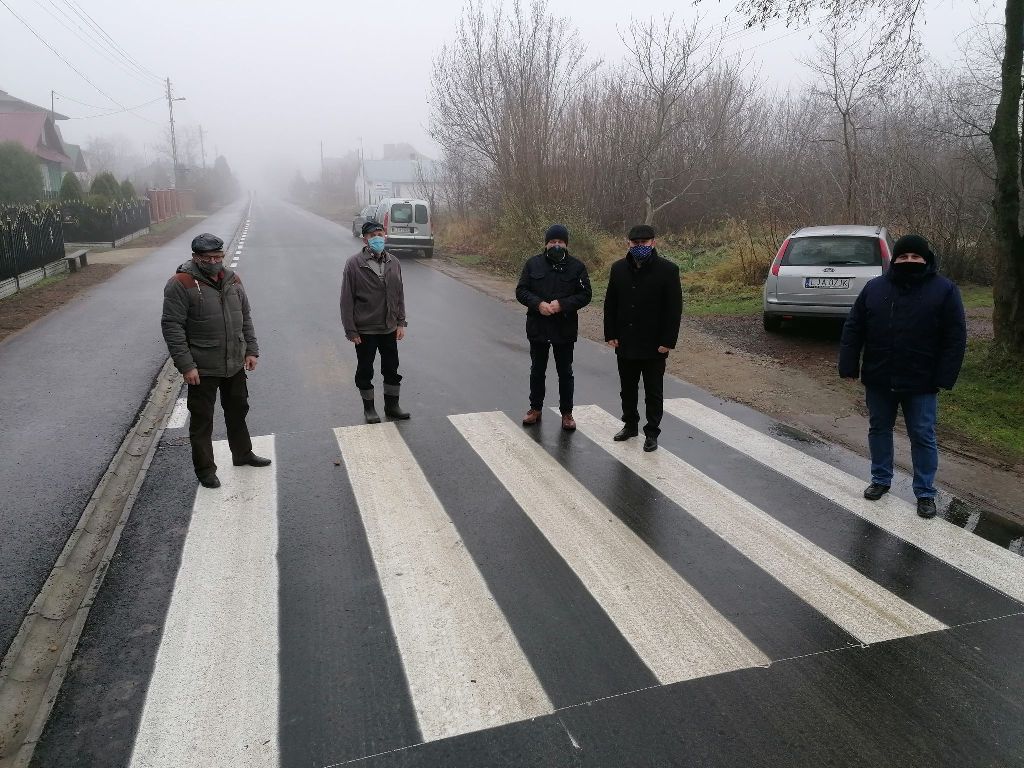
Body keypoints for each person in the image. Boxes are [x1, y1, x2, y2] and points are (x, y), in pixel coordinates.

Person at [838, 233, 967, 518]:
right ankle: (881, 479)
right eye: (904, 256)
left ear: (926, 259)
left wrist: (945, 376)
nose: (909, 260)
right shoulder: (874, 288)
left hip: (922, 381)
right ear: (894, 259)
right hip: (880, 376)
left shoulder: (945, 290)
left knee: (922, 435)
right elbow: (854, 327)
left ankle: (925, 492)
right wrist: (848, 364)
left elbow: (955, 337)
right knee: (878, 429)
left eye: (915, 256)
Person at [161, 233, 270, 489]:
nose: (215, 261)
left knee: (238, 412)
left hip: (234, 363)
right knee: (202, 421)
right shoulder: (180, 283)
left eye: (219, 256)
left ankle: (243, 454)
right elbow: (172, 327)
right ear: (196, 258)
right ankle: (206, 470)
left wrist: (251, 350)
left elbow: (245, 317)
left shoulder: (233, 280)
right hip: (202, 367)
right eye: (209, 258)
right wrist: (186, 365)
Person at [604, 224, 682, 452]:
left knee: (653, 391)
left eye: (644, 243)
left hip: (654, 344)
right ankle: (630, 425)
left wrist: (668, 341)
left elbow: (674, 309)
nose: (640, 247)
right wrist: (611, 333)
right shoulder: (618, 269)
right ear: (628, 244)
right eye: (635, 243)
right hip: (625, 341)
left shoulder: (668, 270)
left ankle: (652, 433)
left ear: (653, 243)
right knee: (627, 388)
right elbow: (611, 304)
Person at [515, 224, 593, 430]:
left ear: (566, 244)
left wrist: (563, 304)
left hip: (564, 328)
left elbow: (586, 295)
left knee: (565, 372)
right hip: (538, 327)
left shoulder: (577, 267)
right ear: (546, 244)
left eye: (560, 242)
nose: (556, 245)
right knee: (537, 370)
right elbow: (521, 291)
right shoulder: (533, 264)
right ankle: (535, 409)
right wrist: (538, 304)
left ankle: (567, 413)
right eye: (552, 241)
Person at [341, 220, 410, 424]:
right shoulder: (354, 264)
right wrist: (351, 330)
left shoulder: (394, 262)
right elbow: (346, 300)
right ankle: (369, 409)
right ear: (365, 239)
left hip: (389, 327)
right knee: (365, 369)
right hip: (365, 330)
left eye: (380, 234)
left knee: (391, 368)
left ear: (385, 235)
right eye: (372, 236)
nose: (377, 239)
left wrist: (400, 323)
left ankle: (392, 406)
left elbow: (399, 295)